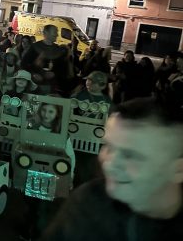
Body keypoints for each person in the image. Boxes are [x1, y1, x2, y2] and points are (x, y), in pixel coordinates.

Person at [42, 96, 183, 241]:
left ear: (179, 170)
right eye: (108, 146)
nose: (108, 164)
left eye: (130, 155)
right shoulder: (87, 204)